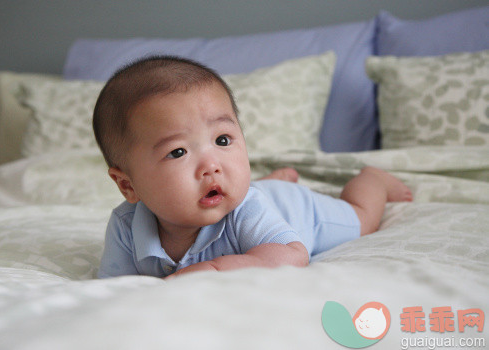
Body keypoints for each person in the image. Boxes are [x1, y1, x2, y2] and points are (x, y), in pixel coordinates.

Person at [93, 56, 412, 279]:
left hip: (297, 209)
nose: (212, 166)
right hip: (258, 194)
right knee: (246, 189)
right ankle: (274, 180)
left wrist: (213, 270)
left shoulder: (246, 209)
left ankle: (374, 179)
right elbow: (113, 289)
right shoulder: (125, 227)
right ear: (128, 186)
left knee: (362, 216)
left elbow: (292, 255)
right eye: (178, 151)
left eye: (222, 140)